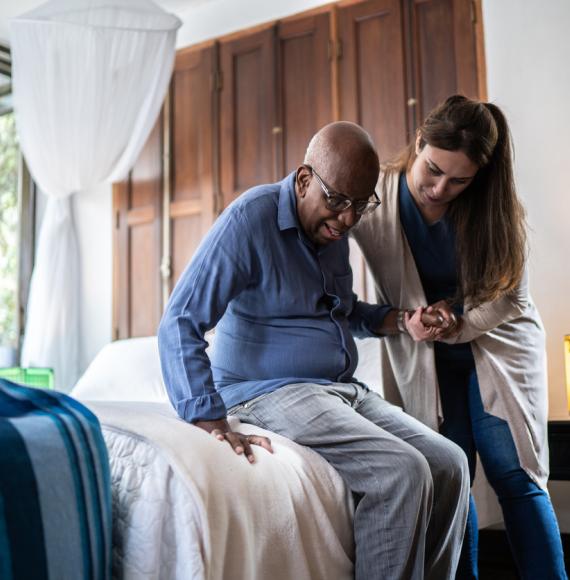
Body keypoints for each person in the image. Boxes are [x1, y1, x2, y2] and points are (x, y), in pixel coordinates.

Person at [159, 121, 470, 580]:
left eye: (360, 205)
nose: (347, 219)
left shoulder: (331, 235)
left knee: (449, 464)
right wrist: (209, 419)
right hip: (267, 391)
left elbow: (342, 312)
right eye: (338, 201)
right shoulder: (250, 220)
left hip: (339, 388)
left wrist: (400, 319)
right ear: (304, 180)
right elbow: (179, 321)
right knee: (401, 473)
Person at [352, 95, 567, 580]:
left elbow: (509, 297)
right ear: (419, 142)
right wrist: (398, 319)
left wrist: (457, 320)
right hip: (423, 350)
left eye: (459, 181)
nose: (440, 188)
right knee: (451, 476)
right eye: (433, 170)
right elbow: (337, 283)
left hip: (496, 343)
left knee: (513, 470)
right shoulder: (375, 198)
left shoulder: (494, 208)